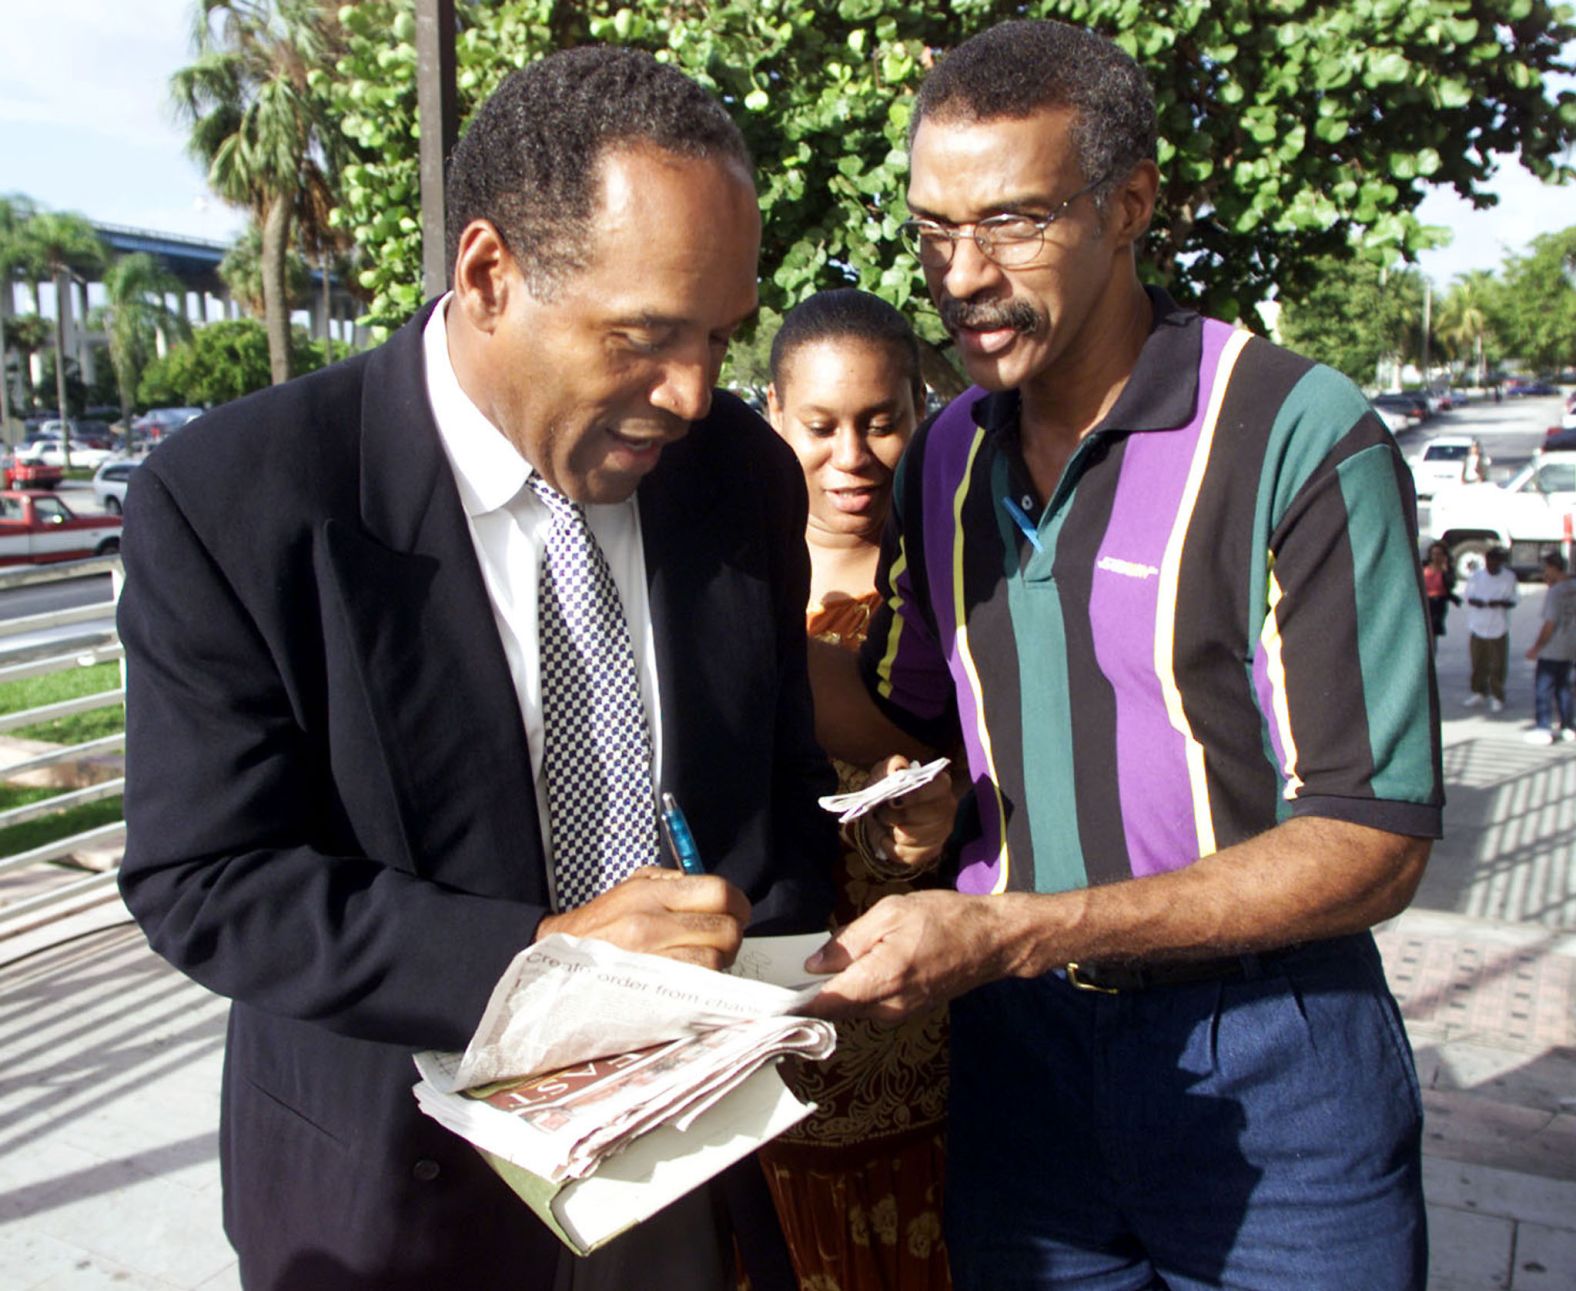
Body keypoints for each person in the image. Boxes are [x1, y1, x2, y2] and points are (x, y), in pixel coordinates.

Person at [116, 47, 842, 1291]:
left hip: (681, 1172)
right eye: (645, 336)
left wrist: (802, 945)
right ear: (489, 273)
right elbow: (205, 877)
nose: (690, 391)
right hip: (388, 1200)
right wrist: (544, 959)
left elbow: (773, 790)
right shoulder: (236, 498)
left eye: (720, 335)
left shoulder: (742, 477)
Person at [801, 19, 1442, 1290]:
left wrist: (1018, 930)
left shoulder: (1297, 436)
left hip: (1272, 1069)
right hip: (1019, 1078)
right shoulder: (947, 456)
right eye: (933, 228)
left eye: (1012, 222)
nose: (960, 274)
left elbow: (1374, 838)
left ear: (1130, 204)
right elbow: (919, 740)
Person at [759, 288, 954, 1290]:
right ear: (770, 416)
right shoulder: (711, 586)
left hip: (916, 1049)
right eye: (820, 425)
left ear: (920, 414)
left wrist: (930, 814)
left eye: (881, 422)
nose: (853, 456)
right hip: (751, 1055)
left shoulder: (954, 590)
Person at [1522, 549, 1576, 744]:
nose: (1545, 573)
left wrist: (1537, 647)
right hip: (1570, 645)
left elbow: (1549, 624)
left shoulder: (1555, 592)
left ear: (1553, 568)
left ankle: (1543, 727)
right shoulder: (1572, 586)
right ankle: (1568, 725)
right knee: (1564, 687)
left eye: (1546, 569)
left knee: (1544, 687)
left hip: (1554, 647)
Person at [1463, 545, 1520, 711]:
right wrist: (1478, 602)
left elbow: (1514, 599)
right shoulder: (1476, 576)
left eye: (1495, 562)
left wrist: (1501, 603)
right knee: (1478, 662)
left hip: (1498, 626)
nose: (1491, 565)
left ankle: (1497, 695)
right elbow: (1468, 596)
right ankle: (1479, 692)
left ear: (1500, 562)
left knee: (1497, 664)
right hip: (1478, 625)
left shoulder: (1509, 577)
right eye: (1489, 562)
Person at [1423, 540, 1459, 649]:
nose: (1436, 557)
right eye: (1434, 554)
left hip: (1438, 603)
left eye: (1439, 554)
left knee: (1433, 631)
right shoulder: (1424, 566)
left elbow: (1451, 584)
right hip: (1425, 602)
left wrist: (1445, 569)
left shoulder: (1446, 569)